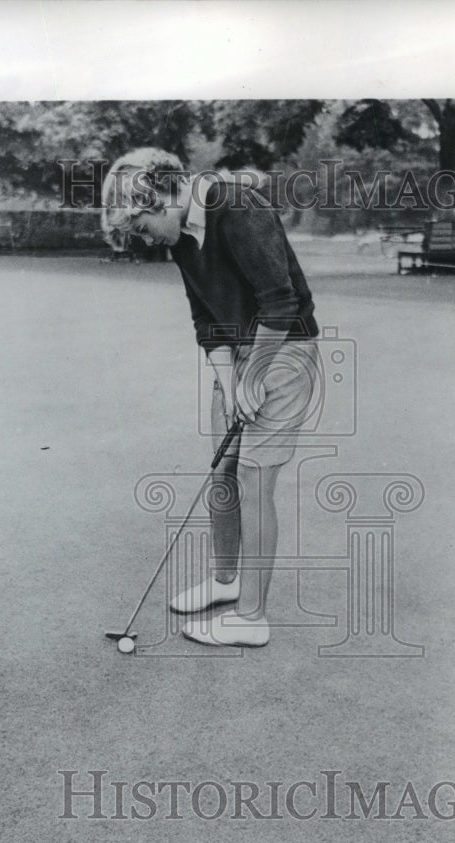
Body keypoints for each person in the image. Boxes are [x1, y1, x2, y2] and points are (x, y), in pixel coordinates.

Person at [101, 148, 320, 647]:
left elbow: (281, 302)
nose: (146, 241)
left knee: (254, 477)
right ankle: (226, 583)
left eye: (140, 227)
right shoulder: (181, 238)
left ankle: (252, 619)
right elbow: (205, 316)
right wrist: (228, 376)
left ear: (157, 196)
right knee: (223, 470)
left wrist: (254, 374)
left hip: (284, 350)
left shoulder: (239, 206)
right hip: (240, 353)